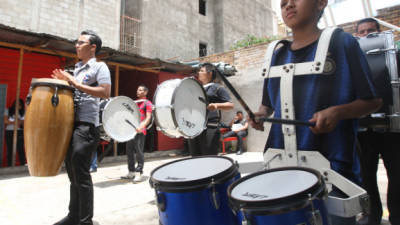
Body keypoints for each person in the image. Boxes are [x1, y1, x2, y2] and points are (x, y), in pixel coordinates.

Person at [249, 0, 382, 224]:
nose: (288, 5)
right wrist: (259, 115)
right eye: (282, 3)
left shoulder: (342, 43)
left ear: (321, 3)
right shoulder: (277, 54)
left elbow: (373, 101)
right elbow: (267, 104)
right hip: (282, 168)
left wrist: (338, 112)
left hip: (333, 173)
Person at [51, 30, 111, 225]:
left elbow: (104, 92)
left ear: (93, 47)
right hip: (71, 125)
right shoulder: (76, 69)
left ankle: (86, 221)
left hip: (86, 127)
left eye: (81, 42)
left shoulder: (100, 67)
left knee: (81, 173)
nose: (76, 45)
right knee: (72, 173)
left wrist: (74, 82)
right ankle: (73, 215)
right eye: (76, 42)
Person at [355, 18, 400, 225]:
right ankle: (372, 216)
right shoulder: (353, 61)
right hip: (365, 131)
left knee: (397, 175)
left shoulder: (394, 56)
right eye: (362, 32)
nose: (367, 35)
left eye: (371, 31)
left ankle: (397, 215)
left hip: (392, 128)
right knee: (366, 176)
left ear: (380, 32)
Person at [188, 63, 234, 156]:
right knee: (195, 158)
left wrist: (216, 105)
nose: (199, 73)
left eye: (202, 71)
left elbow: (230, 105)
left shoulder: (217, 87)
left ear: (209, 73)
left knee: (209, 158)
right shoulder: (197, 88)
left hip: (210, 127)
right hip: (194, 128)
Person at [121, 85, 152, 182]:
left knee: (139, 152)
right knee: (129, 151)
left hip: (140, 131)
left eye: (140, 90)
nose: (138, 91)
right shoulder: (134, 103)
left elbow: (148, 117)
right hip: (131, 132)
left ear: (145, 92)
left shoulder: (147, 103)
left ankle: (139, 173)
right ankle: (131, 172)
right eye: (137, 89)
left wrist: (142, 126)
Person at [3, 98, 26, 166]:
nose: (17, 105)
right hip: (9, 132)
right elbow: (6, 121)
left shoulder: (23, 112)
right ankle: (9, 165)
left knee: (20, 149)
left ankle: (22, 164)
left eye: (19, 104)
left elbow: (23, 122)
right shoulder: (8, 110)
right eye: (16, 103)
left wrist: (12, 122)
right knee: (10, 149)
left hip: (19, 132)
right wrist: (17, 122)